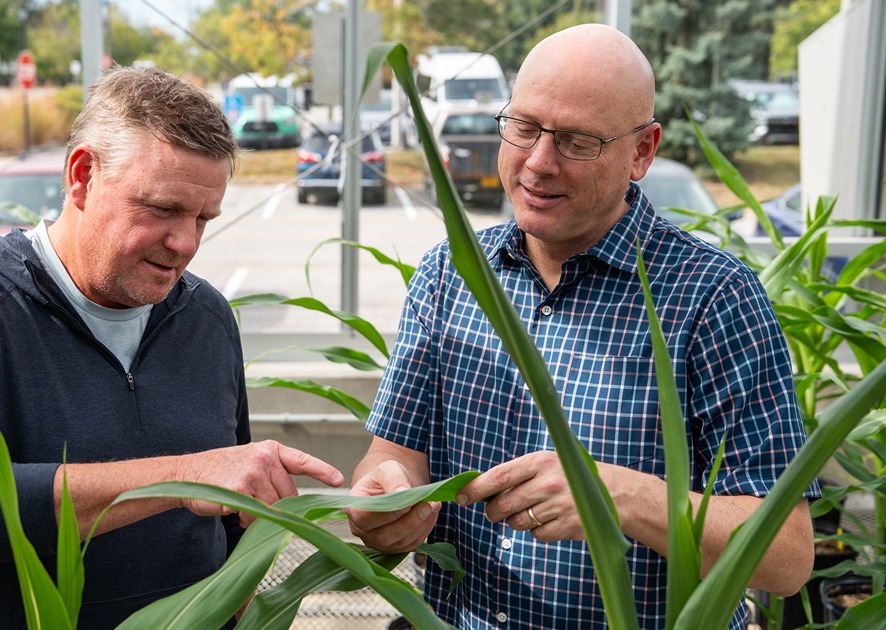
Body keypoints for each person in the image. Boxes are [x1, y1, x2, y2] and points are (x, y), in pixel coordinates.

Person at [345, 24, 817, 629]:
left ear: (642, 152)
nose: (538, 164)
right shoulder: (451, 275)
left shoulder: (712, 297)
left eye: (577, 142)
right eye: (524, 127)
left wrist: (617, 497)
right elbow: (391, 460)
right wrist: (384, 502)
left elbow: (787, 556)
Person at [0, 66, 344, 629]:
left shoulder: (207, 317)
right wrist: (183, 478)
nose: (185, 243)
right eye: (163, 209)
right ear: (82, 176)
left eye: (202, 218)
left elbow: (226, 514)